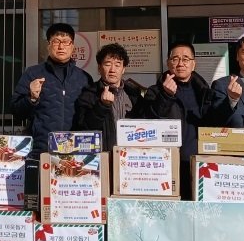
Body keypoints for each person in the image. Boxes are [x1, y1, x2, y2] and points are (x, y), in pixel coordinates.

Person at [11, 23, 93, 156]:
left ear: (72, 46)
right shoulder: (32, 73)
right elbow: (16, 112)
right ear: (48, 45)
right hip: (42, 149)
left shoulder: (84, 78)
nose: (61, 46)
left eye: (66, 42)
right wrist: (31, 98)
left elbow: (90, 117)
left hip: (75, 149)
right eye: (56, 41)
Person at [143, 41, 217, 176]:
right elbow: (147, 123)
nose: (180, 63)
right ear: (168, 63)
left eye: (186, 59)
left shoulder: (205, 93)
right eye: (175, 59)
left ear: (193, 64)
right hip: (165, 164)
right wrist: (165, 96)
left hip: (200, 164)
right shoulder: (155, 92)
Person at [73, 42, 145, 151]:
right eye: (107, 64)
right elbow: (84, 129)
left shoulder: (133, 94)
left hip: (130, 155)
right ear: (99, 68)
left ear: (123, 69)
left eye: (117, 65)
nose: (112, 70)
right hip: (102, 155)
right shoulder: (89, 94)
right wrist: (102, 106)